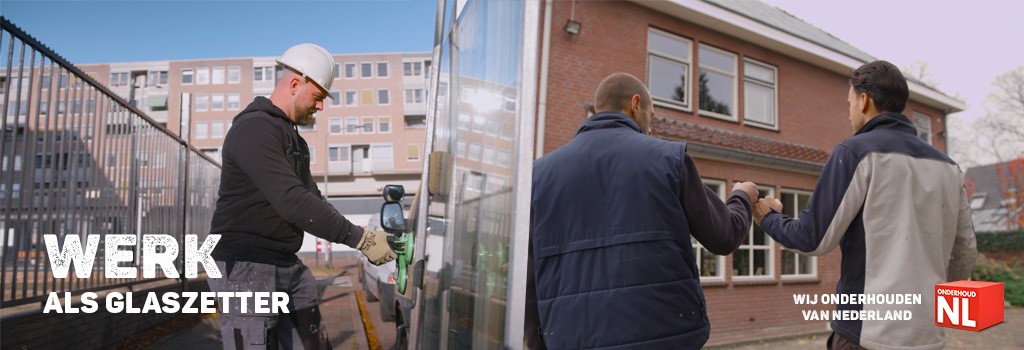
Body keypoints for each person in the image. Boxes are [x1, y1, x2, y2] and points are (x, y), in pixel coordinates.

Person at [752, 60, 977, 350]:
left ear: (863, 100)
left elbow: (811, 238)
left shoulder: (855, 152)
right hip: (927, 336)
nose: (848, 113)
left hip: (867, 335)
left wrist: (768, 218)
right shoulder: (948, 167)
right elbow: (966, 250)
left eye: (849, 103)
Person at [526, 72, 758, 349]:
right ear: (635, 104)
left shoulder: (538, 175)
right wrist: (742, 195)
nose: (650, 128)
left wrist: (538, 341)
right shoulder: (668, 160)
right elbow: (724, 236)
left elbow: (532, 272)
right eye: (651, 115)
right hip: (664, 335)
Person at [206, 43, 399, 350]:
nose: (321, 107)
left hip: (285, 261)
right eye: (319, 97)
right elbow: (292, 200)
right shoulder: (254, 129)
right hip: (244, 264)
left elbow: (313, 199)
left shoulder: (294, 140)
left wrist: (370, 237)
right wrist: (360, 239)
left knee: (314, 343)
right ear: (295, 84)